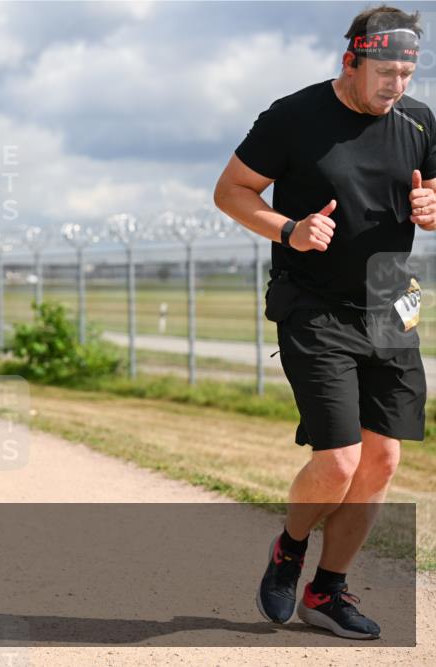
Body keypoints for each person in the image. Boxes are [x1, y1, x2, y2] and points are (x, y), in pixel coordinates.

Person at [213, 5, 433, 640]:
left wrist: (433, 206)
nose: (397, 85)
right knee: (339, 460)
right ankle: (289, 548)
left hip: (392, 293)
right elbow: (231, 191)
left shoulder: (418, 120)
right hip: (313, 299)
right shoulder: (293, 117)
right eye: (385, 72)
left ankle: (326, 591)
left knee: (383, 458)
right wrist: (289, 229)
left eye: (408, 71)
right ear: (351, 61)